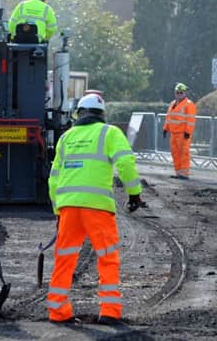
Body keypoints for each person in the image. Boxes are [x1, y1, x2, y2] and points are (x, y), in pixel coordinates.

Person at [46, 93, 146, 325]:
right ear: (102, 115)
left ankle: (57, 311)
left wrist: (57, 211)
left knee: (64, 259)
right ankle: (109, 311)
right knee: (107, 258)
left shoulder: (66, 137)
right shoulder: (110, 133)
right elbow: (125, 163)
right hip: (97, 207)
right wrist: (134, 194)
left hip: (68, 207)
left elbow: (53, 179)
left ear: (78, 113)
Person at [163, 83, 197, 179]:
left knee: (183, 153)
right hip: (174, 133)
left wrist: (188, 132)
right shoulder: (172, 104)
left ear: (185, 93)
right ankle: (178, 172)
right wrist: (165, 129)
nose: (178, 94)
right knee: (175, 153)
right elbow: (168, 118)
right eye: (177, 92)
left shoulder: (189, 104)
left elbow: (191, 120)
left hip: (183, 133)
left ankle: (184, 174)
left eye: (180, 92)